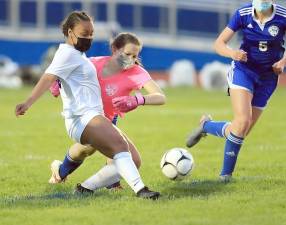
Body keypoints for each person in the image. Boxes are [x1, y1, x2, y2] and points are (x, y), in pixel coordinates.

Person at [15, 11, 160, 199]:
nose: (89, 37)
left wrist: (137, 100)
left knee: (133, 159)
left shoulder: (79, 55)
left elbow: (67, 76)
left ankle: (83, 187)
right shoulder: (66, 53)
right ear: (70, 33)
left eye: (91, 33)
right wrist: (28, 102)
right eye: (85, 33)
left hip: (93, 117)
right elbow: (49, 76)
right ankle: (141, 190)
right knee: (118, 145)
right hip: (83, 118)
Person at [49, 32, 166, 192]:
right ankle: (73, 176)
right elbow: (66, 70)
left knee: (95, 150)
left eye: (135, 56)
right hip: (85, 118)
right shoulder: (93, 64)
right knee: (90, 149)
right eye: (127, 54)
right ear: (114, 49)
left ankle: (70, 176)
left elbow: (160, 97)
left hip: (109, 120)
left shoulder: (137, 72)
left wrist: (138, 100)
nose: (131, 59)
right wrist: (59, 82)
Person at [186, 0, 286, 181]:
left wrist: (282, 62)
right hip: (244, 71)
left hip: (268, 78)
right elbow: (219, 43)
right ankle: (225, 176)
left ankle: (206, 126)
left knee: (241, 130)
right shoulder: (243, 13)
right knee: (242, 121)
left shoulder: (282, 16)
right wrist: (233, 53)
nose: (262, 3)